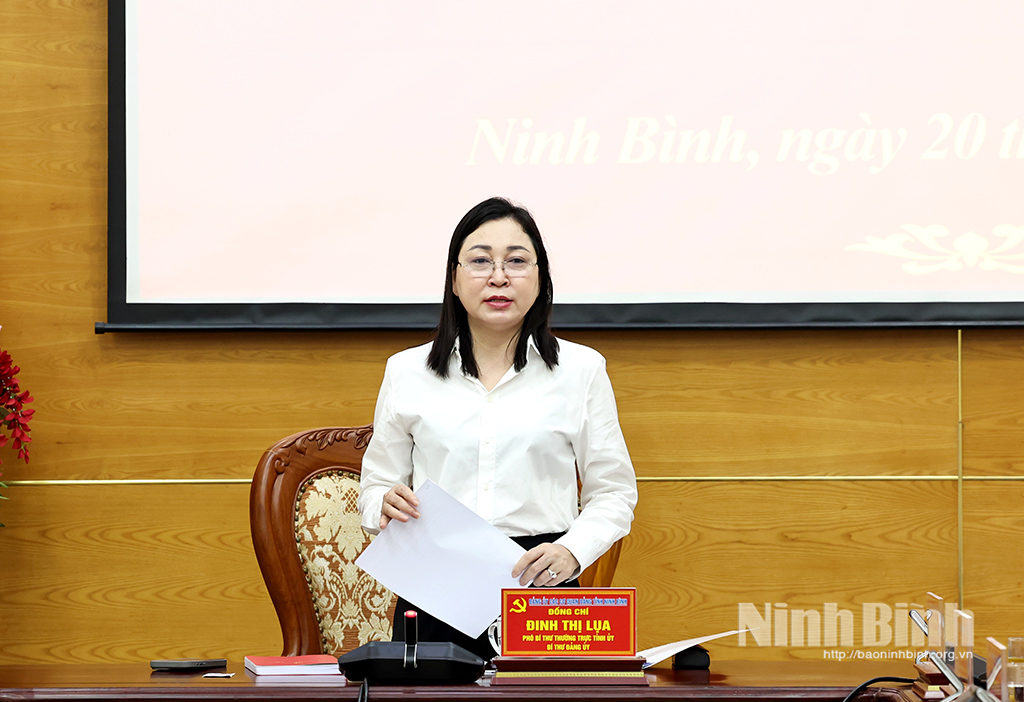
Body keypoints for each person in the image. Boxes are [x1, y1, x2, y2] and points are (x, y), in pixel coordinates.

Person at [358, 196, 638, 659]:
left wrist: (572, 551)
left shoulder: (582, 370)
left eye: (516, 261)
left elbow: (614, 492)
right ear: (454, 279)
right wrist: (382, 505)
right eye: (480, 261)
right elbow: (375, 487)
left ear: (541, 279)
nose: (499, 277)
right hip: (435, 582)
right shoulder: (406, 372)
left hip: (541, 581)